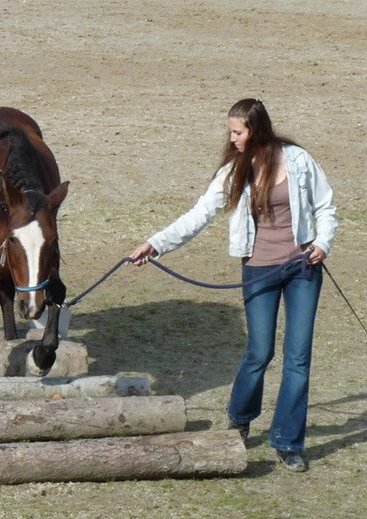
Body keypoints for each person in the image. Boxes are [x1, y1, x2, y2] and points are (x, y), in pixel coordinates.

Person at [129, 98, 338, 472]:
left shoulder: (298, 160)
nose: (232, 138)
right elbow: (200, 214)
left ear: (256, 130)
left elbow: (325, 205)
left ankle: (288, 441)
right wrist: (156, 243)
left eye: (237, 131)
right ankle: (240, 418)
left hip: (303, 269)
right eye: (230, 131)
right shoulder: (233, 171)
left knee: (299, 359)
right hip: (259, 270)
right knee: (260, 353)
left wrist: (322, 243)